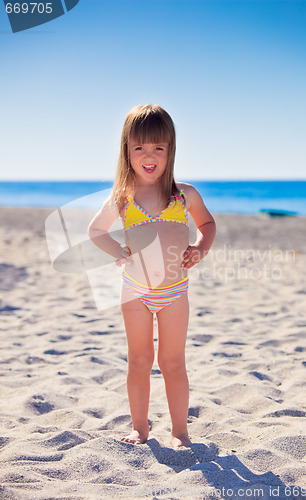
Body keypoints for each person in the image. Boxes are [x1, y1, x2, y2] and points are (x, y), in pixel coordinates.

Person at [88, 104, 216, 449]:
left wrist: (200, 249)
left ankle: (180, 431)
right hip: (135, 292)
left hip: (174, 292)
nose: (149, 156)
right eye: (139, 147)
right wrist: (118, 251)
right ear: (126, 150)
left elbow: (207, 225)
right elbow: (96, 231)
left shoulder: (183, 195)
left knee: (173, 362)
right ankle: (140, 429)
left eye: (158, 147)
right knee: (140, 361)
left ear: (170, 150)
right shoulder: (123, 198)